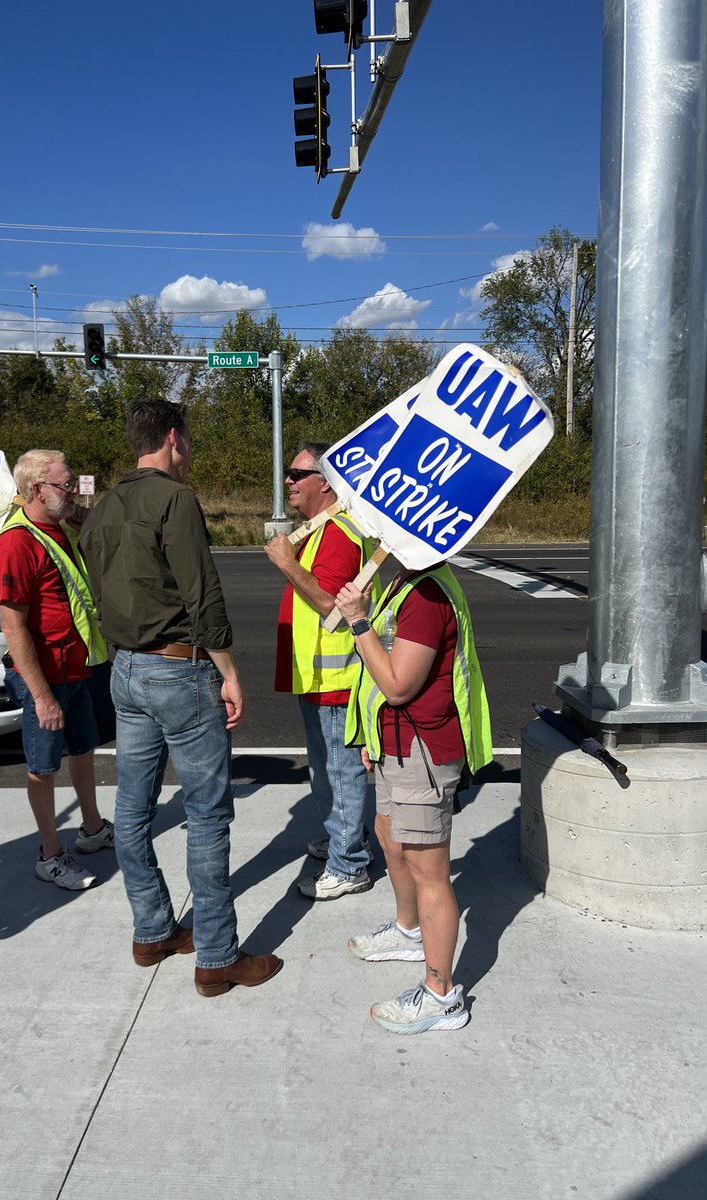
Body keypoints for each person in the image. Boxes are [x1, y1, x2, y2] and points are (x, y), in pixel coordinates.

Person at [81, 399, 282, 997]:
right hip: (181, 671)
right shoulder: (175, 500)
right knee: (207, 815)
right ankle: (218, 957)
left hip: (126, 671)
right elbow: (203, 594)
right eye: (188, 441)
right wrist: (230, 673)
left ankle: (152, 931)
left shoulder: (101, 510)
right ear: (174, 439)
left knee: (134, 810)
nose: (189, 452)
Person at [335, 558, 492, 1035]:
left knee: (431, 872)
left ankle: (441, 996)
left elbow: (399, 685)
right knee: (390, 838)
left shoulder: (426, 595)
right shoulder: (406, 580)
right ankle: (408, 931)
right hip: (393, 743)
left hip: (420, 750)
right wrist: (369, 732)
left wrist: (358, 620)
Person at [0, 450, 115, 891]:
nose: (74, 492)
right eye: (65, 485)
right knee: (43, 767)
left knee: (84, 749)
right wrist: (40, 696)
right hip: (45, 677)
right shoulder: (16, 543)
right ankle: (50, 853)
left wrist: (78, 512)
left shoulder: (55, 528)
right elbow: (14, 626)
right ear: (37, 490)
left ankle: (92, 827)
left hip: (76, 668)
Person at [265, 442, 379, 900]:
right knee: (326, 768)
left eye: (297, 474)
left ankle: (350, 863)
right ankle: (343, 837)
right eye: (289, 474)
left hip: (334, 678)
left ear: (326, 483)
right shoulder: (319, 528)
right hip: (316, 675)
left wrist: (288, 564)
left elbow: (331, 605)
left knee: (339, 769)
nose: (288, 481)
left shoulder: (336, 533)